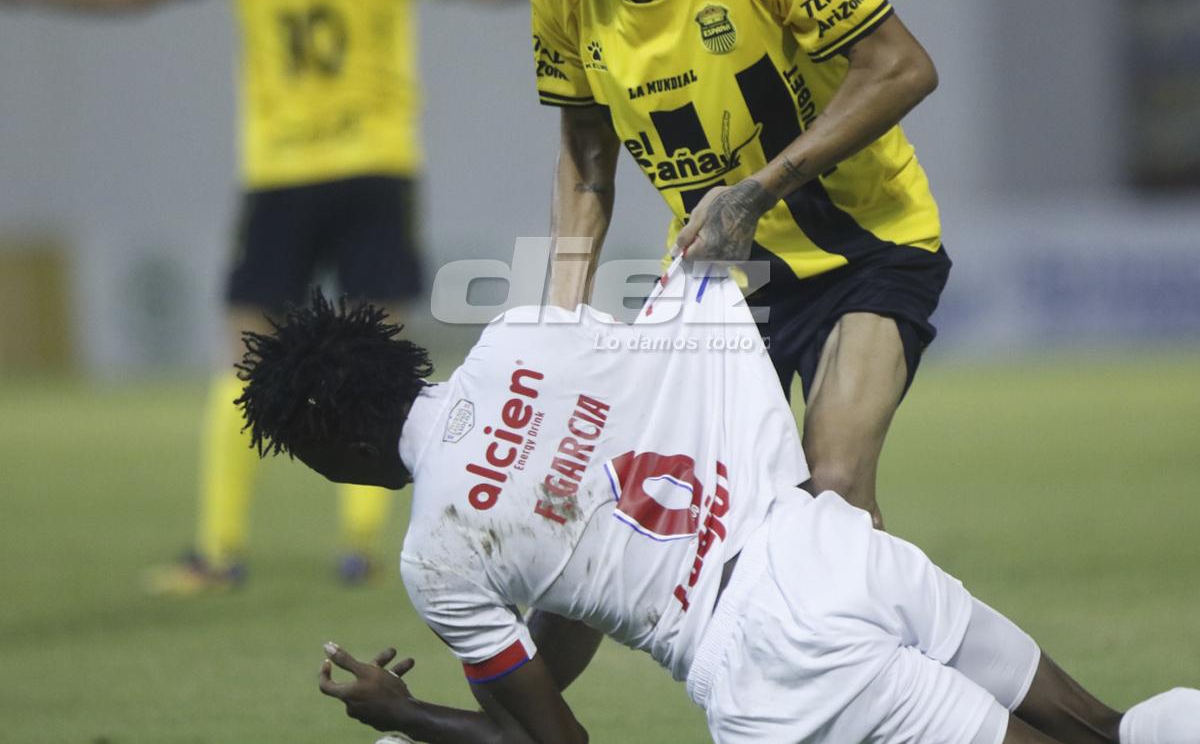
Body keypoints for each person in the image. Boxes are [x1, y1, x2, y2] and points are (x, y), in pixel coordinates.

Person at [236, 267, 1199, 744]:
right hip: (829, 543)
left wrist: (400, 713)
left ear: (343, 449)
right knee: (1108, 728)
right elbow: (579, 538)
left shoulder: (438, 557)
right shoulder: (521, 332)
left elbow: (554, 743)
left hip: (774, 665)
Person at [0, 0, 533, 591]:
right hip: (375, 169)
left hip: (282, 173)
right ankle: (362, 548)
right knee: (376, 348)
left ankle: (219, 550)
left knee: (241, 351)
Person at [523, 0, 951, 529]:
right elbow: (585, 161)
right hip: (719, 273)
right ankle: (522, 647)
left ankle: (914, 637)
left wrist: (757, 192)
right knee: (640, 513)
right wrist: (562, 319)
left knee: (834, 485)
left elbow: (901, 68)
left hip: (866, 249)